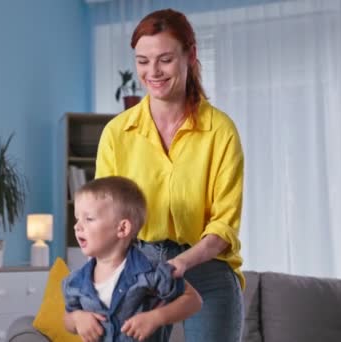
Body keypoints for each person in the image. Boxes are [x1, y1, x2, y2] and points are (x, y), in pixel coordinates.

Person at [94, 8, 245, 342]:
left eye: (164, 59)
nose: (153, 72)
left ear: (190, 56)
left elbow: (224, 226)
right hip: (137, 267)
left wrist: (181, 264)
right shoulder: (117, 133)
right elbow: (106, 217)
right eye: (143, 61)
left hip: (206, 266)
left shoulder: (220, 131)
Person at [62, 176, 202, 342]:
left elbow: (193, 301)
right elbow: (68, 318)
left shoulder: (151, 272)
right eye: (78, 218)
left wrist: (156, 317)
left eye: (89, 219)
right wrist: (77, 318)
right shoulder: (75, 281)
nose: (77, 226)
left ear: (122, 228)